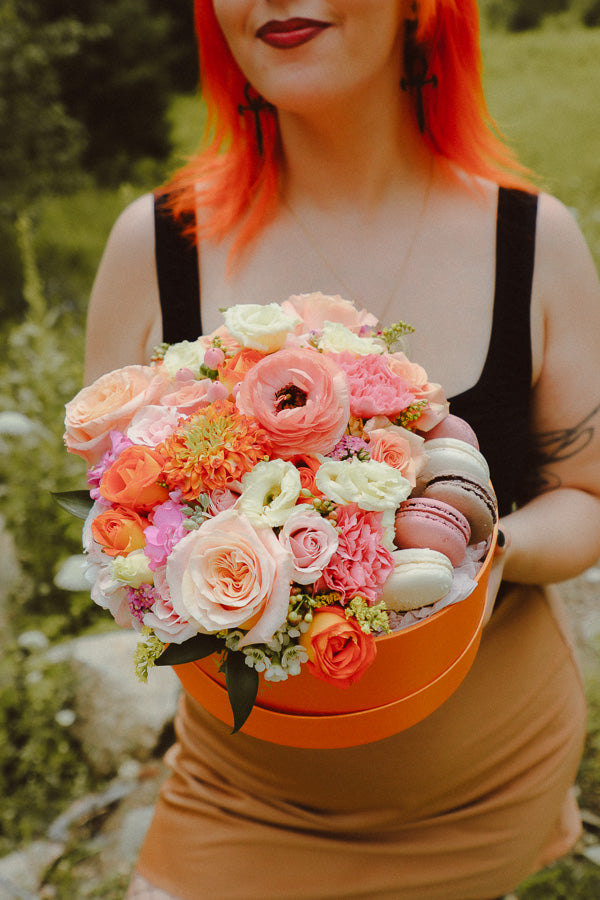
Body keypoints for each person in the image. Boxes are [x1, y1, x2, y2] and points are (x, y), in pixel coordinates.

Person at [84, 2, 600, 898]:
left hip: (489, 796)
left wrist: (462, 549)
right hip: (242, 803)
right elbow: (117, 524)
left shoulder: (535, 240)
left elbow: (587, 497)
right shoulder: (154, 245)